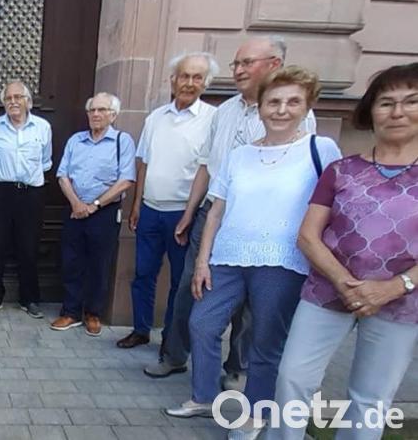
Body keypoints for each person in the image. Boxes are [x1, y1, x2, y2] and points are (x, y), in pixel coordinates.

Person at [164, 66, 342, 440]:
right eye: (273, 102)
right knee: (202, 323)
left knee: (264, 341)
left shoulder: (320, 149)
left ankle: (255, 413)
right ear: (260, 108)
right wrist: (203, 261)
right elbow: (216, 210)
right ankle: (204, 396)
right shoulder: (240, 155)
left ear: (307, 106)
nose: (281, 110)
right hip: (227, 257)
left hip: (282, 262)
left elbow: (334, 208)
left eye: (292, 102)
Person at [144, 36, 317, 386]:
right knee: (189, 287)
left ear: (274, 64)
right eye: (236, 63)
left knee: (250, 302)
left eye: (246, 63)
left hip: (259, 220)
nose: (237, 70)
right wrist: (190, 211)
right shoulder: (224, 111)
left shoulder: (293, 117)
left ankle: (237, 368)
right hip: (212, 211)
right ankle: (174, 355)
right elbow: (206, 166)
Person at [268, 63, 418, 440]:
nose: (397, 112)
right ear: (371, 111)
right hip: (327, 291)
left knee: (370, 398)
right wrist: (344, 282)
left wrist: (393, 287)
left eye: (411, 101)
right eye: (386, 103)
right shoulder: (342, 170)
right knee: (292, 377)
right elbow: (308, 235)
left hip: (399, 300)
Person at [117, 52, 219, 350]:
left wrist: (189, 215)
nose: (189, 83)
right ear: (173, 80)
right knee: (143, 274)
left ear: (206, 83)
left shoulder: (213, 119)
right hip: (150, 210)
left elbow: (208, 169)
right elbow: (144, 164)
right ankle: (140, 329)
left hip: (183, 214)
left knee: (180, 282)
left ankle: (170, 341)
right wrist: (136, 205)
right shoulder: (156, 118)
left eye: (197, 77)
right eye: (184, 76)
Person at [50, 92, 136, 336]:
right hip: (75, 210)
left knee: (99, 264)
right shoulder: (76, 141)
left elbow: (126, 179)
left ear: (113, 115)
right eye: (92, 110)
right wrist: (76, 203)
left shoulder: (122, 141)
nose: (96, 114)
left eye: (102, 110)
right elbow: (62, 174)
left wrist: (95, 205)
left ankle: (93, 313)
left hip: (104, 212)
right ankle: (71, 312)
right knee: (71, 261)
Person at [0, 80, 52, 319]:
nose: (13, 102)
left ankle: (29, 299)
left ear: (28, 101)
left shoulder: (43, 127)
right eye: (8, 98)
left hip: (31, 193)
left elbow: (46, 161)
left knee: (28, 247)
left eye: (18, 97)